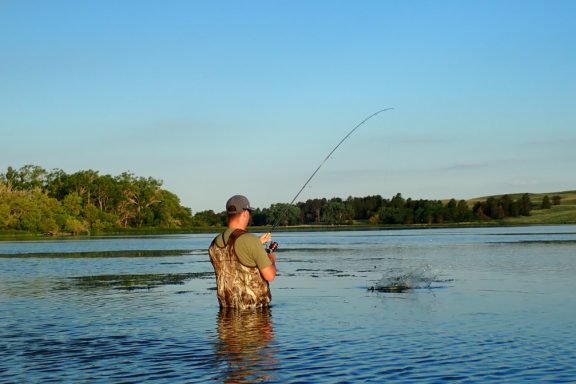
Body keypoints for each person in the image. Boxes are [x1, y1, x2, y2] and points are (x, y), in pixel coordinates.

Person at [208, 195, 277, 309]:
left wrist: (257, 243)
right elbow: (270, 276)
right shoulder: (250, 240)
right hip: (254, 313)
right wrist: (271, 259)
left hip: (226, 311)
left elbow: (231, 256)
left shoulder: (214, 244)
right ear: (245, 213)